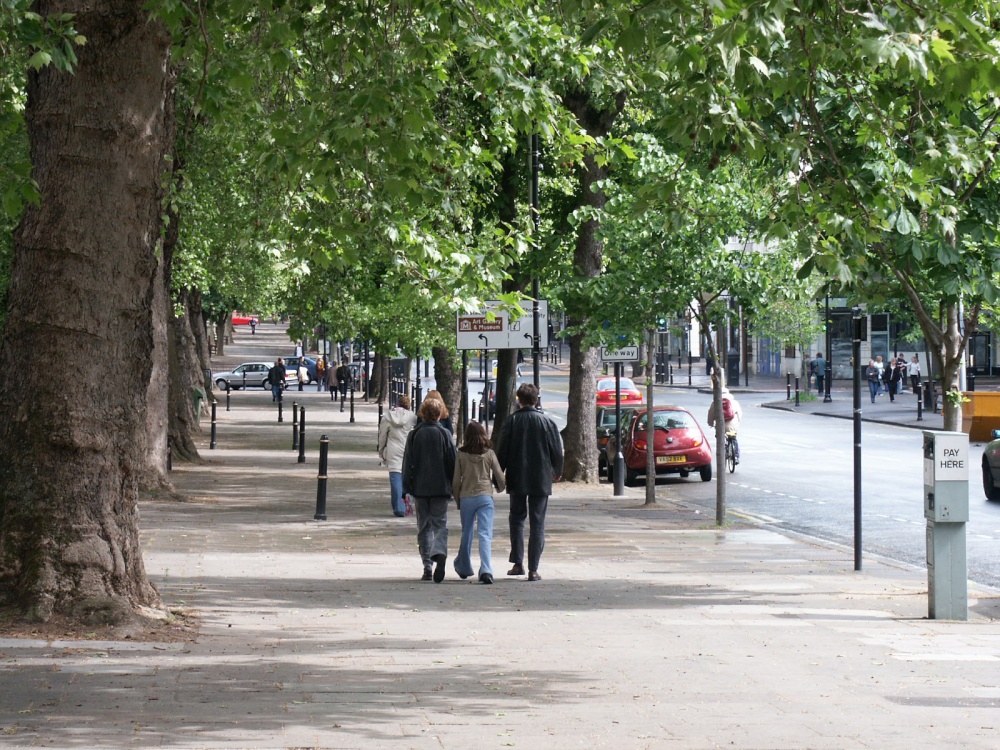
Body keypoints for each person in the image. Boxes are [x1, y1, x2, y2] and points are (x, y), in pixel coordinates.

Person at [495, 382, 564, 582]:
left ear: (519, 400)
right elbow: (556, 451)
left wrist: (498, 476)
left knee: (516, 519)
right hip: (541, 478)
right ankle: (534, 568)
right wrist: (557, 471)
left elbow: (502, 451)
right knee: (537, 522)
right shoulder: (547, 423)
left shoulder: (511, 422)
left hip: (517, 476)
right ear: (536, 399)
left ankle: (518, 562)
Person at [402, 397, 457, 582]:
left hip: (420, 488)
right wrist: (454, 486)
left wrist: (406, 487)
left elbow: (407, 463)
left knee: (424, 527)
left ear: (423, 414)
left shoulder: (414, 435)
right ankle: (440, 552)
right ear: (439, 414)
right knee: (440, 525)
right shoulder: (445, 435)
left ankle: (427, 565)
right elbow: (453, 463)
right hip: (441, 488)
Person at [452, 420, 505, 584]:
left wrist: (458, 499)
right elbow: (499, 476)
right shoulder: (489, 453)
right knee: (485, 534)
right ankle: (486, 569)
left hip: (467, 496)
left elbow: (455, 481)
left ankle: (464, 566)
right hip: (485, 497)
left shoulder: (461, 454)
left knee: (467, 532)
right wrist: (500, 488)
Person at [378, 395, 419, 517]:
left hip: (393, 449)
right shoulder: (413, 418)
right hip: (408, 449)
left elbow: (382, 436)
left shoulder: (387, 417)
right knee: (407, 476)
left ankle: (398, 507)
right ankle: (407, 500)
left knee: (395, 477)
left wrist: (381, 450)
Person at [706, 388, 743, 464]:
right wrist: (738, 422)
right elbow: (740, 414)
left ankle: (722, 452)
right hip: (733, 425)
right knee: (733, 438)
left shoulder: (715, 403)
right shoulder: (734, 402)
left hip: (720, 425)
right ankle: (735, 456)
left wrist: (710, 423)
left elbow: (711, 415)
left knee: (720, 438)